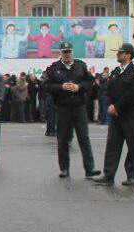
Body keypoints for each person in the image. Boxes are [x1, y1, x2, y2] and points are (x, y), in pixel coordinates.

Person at [42, 42, 98, 179]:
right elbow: (46, 85)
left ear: (72, 52)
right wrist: (61, 87)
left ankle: (90, 169)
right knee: (63, 139)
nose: (67, 54)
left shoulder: (81, 66)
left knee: (84, 138)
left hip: (79, 106)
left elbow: (90, 82)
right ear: (60, 53)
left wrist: (79, 87)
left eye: (69, 52)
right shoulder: (53, 68)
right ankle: (64, 169)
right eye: (64, 52)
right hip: (63, 107)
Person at [93, 43, 134, 186]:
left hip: (131, 114)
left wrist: (117, 106)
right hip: (116, 114)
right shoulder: (115, 72)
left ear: (128, 55)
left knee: (132, 145)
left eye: (120, 53)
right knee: (112, 144)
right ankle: (108, 175)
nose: (117, 55)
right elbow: (108, 91)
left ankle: (132, 175)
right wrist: (110, 104)